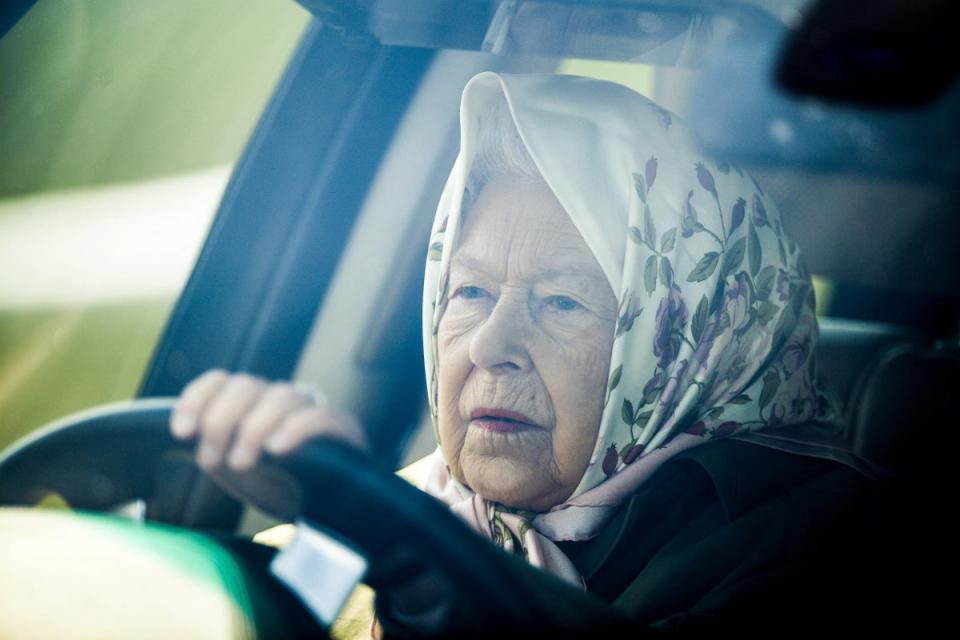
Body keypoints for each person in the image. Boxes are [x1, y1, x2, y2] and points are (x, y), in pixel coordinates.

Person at [171, 72, 918, 636]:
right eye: (468, 293)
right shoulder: (407, 498)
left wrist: (412, 571)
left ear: (689, 340)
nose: (494, 345)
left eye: (561, 302)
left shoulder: (835, 550)